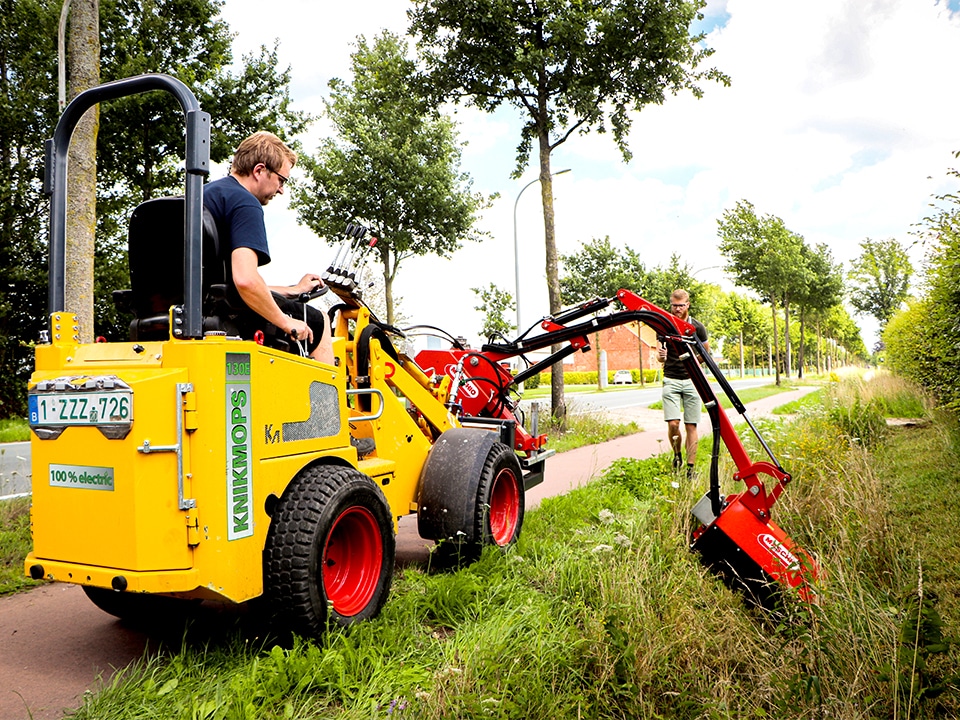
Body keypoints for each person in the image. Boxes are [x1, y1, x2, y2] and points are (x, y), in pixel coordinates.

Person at [204, 131, 333, 365]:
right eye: (281, 180)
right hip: (222, 317)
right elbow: (245, 280)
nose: (281, 189)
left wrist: (292, 289)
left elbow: (223, 283)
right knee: (318, 320)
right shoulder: (245, 202)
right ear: (259, 170)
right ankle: (327, 403)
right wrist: (285, 321)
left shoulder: (204, 195)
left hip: (189, 309)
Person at [657, 289, 709, 478]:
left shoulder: (697, 327)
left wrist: (693, 362)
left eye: (681, 305)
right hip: (671, 378)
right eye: (674, 305)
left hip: (692, 380)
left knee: (691, 426)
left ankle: (690, 468)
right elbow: (660, 355)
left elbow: (705, 353)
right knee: (673, 424)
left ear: (688, 304)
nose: (677, 309)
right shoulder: (664, 325)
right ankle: (677, 455)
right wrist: (661, 356)